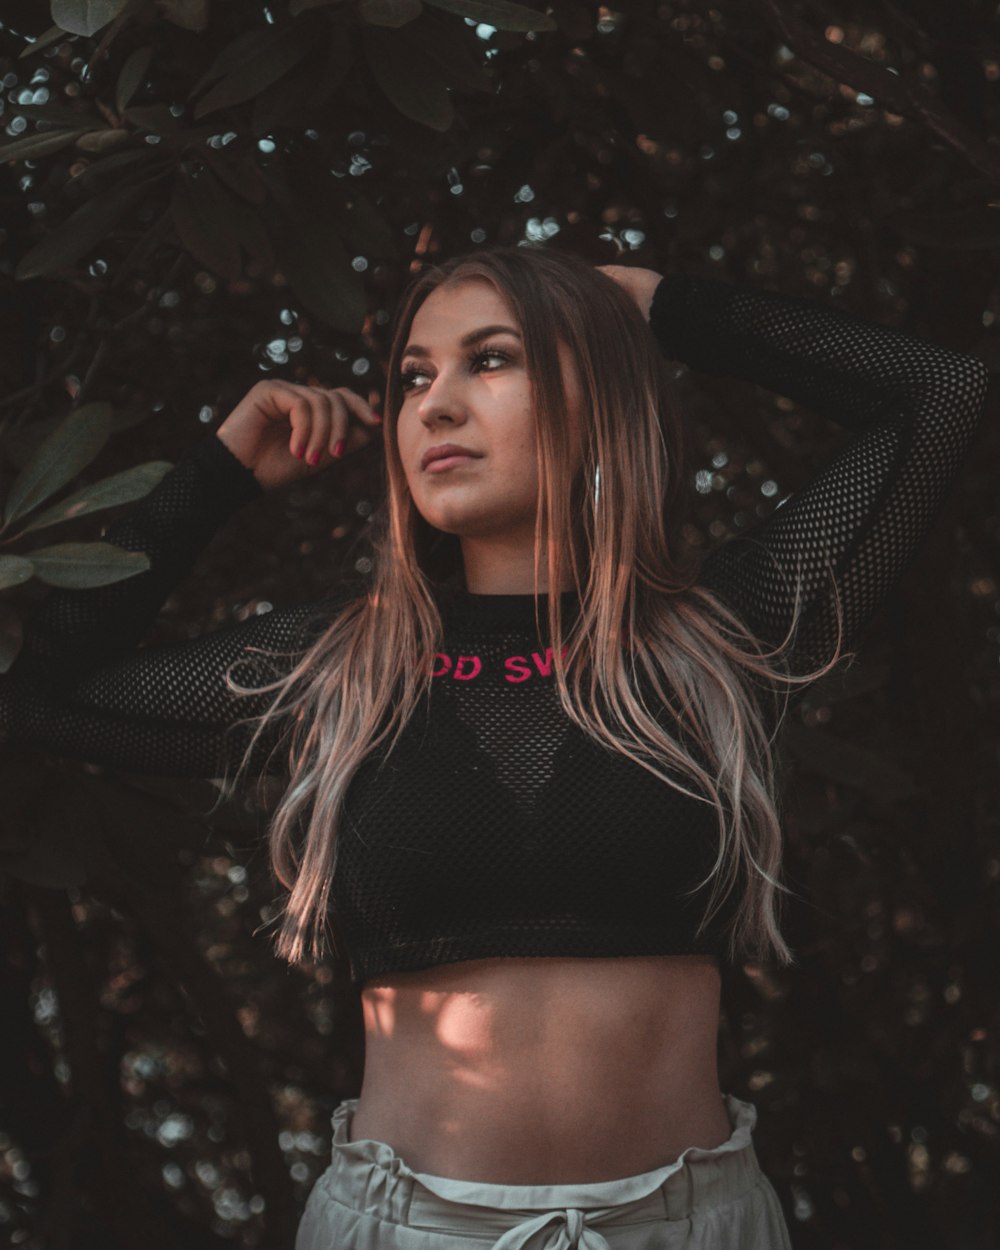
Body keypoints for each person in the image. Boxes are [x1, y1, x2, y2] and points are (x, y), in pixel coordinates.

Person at [3, 244, 989, 1248]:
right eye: (413, 376)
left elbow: (942, 389)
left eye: (489, 359)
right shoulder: (344, 669)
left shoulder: (716, 640)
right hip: (406, 1228)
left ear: (596, 394)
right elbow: (33, 693)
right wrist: (215, 475)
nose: (433, 404)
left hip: (688, 1224)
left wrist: (655, 307)